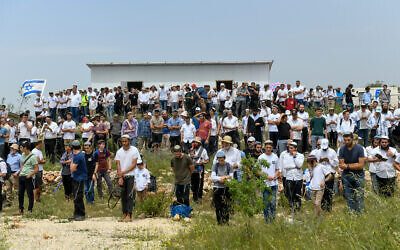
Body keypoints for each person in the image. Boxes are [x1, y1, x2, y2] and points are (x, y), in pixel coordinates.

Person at [115, 135, 141, 222]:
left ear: (129, 141)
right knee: (123, 196)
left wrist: (123, 172)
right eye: (122, 142)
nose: (124, 143)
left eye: (125, 141)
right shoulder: (119, 152)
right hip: (123, 176)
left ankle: (129, 214)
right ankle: (124, 214)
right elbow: (118, 164)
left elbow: (134, 165)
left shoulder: (134, 150)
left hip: (131, 176)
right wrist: (120, 176)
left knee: (130, 196)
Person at [338, 132, 365, 213]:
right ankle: (352, 213)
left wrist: (347, 166)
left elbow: (361, 165)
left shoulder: (359, 148)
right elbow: (341, 165)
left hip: (359, 175)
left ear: (352, 139)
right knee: (349, 196)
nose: (346, 142)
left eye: (348, 140)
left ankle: (360, 213)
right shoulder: (342, 149)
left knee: (359, 196)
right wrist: (354, 164)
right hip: (346, 175)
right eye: (345, 140)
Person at [258, 140, 279, 222]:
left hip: (274, 183)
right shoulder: (261, 158)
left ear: (272, 148)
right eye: (267, 147)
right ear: (264, 147)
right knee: (266, 203)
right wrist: (266, 176)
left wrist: (276, 175)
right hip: (265, 183)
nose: (268, 149)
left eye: (270, 147)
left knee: (273, 203)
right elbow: (258, 171)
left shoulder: (275, 157)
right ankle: (267, 220)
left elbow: (277, 169)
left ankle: (273, 219)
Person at [315, 139, 338, 212]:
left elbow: (336, 163)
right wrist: (320, 161)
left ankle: (329, 208)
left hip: (330, 172)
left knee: (329, 191)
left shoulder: (332, 152)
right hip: (321, 173)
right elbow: (315, 163)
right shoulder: (318, 152)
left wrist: (329, 160)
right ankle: (322, 207)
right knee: (321, 191)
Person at [281, 141, 304, 212]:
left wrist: (294, 157)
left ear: (295, 148)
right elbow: (285, 166)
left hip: (298, 177)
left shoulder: (300, 156)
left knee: (297, 193)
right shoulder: (286, 156)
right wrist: (294, 166)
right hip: (289, 177)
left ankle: (298, 207)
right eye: (289, 148)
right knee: (290, 193)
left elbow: (300, 165)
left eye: (292, 148)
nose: (290, 149)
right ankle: (292, 207)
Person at [211, 151, 233, 225]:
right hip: (217, 187)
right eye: (219, 160)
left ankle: (226, 221)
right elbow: (213, 177)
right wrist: (222, 178)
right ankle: (219, 221)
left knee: (226, 205)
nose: (220, 162)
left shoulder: (229, 166)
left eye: (222, 160)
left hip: (226, 187)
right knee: (218, 206)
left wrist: (224, 179)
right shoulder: (215, 166)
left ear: (224, 159)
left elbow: (231, 177)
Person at [68, 140, 87, 221]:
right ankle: (76, 214)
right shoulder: (77, 155)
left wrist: (72, 163)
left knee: (78, 196)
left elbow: (72, 168)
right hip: (77, 177)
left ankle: (81, 214)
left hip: (80, 178)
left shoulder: (78, 156)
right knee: (76, 196)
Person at [18, 141, 39, 214]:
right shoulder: (23, 155)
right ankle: (21, 208)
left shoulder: (33, 157)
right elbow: (22, 164)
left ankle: (30, 209)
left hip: (28, 177)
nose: (20, 148)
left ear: (25, 148)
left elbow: (37, 169)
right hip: (22, 176)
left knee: (30, 194)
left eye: (21, 147)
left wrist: (30, 175)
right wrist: (20, 173)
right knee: (20, 193)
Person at [190, 137, 209, 203]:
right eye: (194, 142)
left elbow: (207, 160)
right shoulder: (191, 150)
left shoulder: (203, 150)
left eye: (196, 142)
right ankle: (194, 196)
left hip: (200, 169)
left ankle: (199, 197)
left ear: (199, 143)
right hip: (192, 169)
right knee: (193, 184)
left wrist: (202, 163)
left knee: (200, 184)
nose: (195, 143)